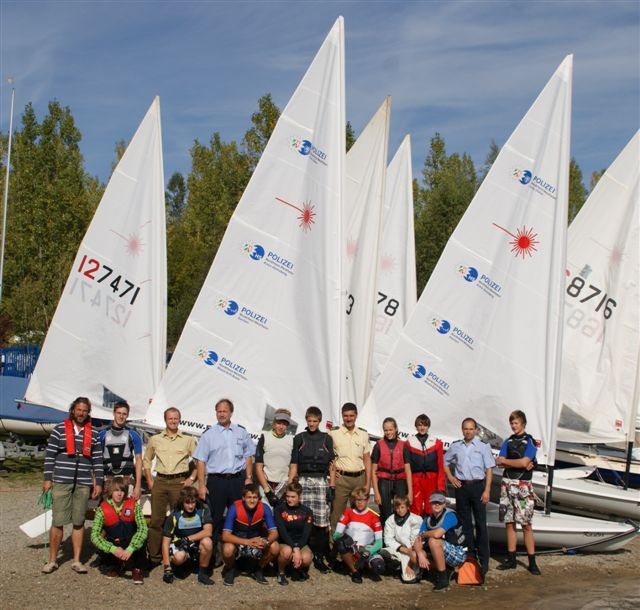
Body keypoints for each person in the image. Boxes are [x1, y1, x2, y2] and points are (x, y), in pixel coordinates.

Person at [42, 396, 103, 574]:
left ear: (88, 412)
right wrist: (48, 478)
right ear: (73, 410)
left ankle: (76, 560)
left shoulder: (94, 434)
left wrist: (98, 482)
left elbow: (97, 460)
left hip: (84, 482)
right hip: (62, 480)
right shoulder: (60, 429)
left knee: (79, 521)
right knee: (58, 521)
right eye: (79, 410)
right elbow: (50, 455)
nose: (81, 413)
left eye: (85, 410)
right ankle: (52, 560)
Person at [194, 398, 255, 566]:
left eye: (225, 411)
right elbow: (200, 461)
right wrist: (201, 484)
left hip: (237, 480)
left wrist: (249, 477)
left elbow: (248, 455)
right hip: (217, 482)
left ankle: (239, 555)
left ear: (231, 413)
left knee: (239, 517)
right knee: (215, 518)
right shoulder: (209, 435)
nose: (221, 414)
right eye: (219, 411)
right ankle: (213, 555)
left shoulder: (241, 432)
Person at [143, 407, 197, 566]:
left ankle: (178, 554)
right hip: (159, 482)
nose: (173, 421)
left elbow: (200, 460)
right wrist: (149, 481)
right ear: (165, 420)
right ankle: (154, 557)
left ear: (179, 419)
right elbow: (147, 460)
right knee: (156, 521)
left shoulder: (188, 440)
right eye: (170, 418)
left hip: (178, 483)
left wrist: (191, 479)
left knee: (179, 520)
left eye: (176, 418)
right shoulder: (155, 439)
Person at [443, 417, 495, 577]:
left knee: (480, 524)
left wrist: (487, 491)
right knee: (465, 525)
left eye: (471, 428)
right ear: (462, 430)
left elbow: (489, 469)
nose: (468, 431)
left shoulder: (483, 446)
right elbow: (445, 462)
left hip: (478, 486)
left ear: (475, 430)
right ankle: (469, 556)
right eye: (466, 428)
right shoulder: (456, 446)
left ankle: (484, 559)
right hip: (462, 487)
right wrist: (451, 478)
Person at [288, 406, 335, 573]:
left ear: (320, 421)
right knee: (302, 519)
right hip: (303, 480)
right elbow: (294, 463)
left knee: (322, 522)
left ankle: (319, 557)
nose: (312, 424)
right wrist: (290, 484)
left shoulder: (326, 438)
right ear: (306, 421)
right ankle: (300, 553)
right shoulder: (299, 438)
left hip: (321, 480)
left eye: (315, 421)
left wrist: (332, 486)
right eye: (310, 421)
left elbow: (332, 465)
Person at [495, 410, 540, 575]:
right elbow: (499, 463)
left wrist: (508, 462)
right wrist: (513, 463)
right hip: (507, 484)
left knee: (526, 524)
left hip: (523, 486)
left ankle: (532, 561)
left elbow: (524, 462)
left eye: (516, 423)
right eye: (512, 423)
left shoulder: (530, 442)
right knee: (509, 522)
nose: (514, 426)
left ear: (523, 424)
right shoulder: (507, 441)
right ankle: (511, 559)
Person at [90, 476, 147, 583]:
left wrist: (131, 548)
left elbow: (143, 529)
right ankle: (115, 565)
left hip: (131, 542)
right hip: (114, 543)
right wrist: (112, 549)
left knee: (141, 544)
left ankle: (137, 569)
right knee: (105, 549)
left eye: (122, 490)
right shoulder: (101, 509)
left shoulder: (134, 505)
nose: (119, 493)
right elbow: (94, 536)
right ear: (111, 491)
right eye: (116, 490)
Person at [221, 483, 280, 586]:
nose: (252, 501)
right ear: (243, 498)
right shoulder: (234, 508)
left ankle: (258, 569)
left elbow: (274, 533)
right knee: (227, 549)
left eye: (255, 497)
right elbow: (225, 536)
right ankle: (230, 569)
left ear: (259, 499)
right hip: (238, 542)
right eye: (249, 497)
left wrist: (265, 541)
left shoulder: (264, 508)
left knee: (275, 547)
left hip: (257, 541)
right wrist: (247, 542)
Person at [329, 402, 371, 534]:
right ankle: (334, 549)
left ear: (356, 416)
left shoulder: (363, 434)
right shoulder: (333, 433)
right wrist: (331, 474)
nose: (348, 418)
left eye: (351, 416)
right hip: (341, 479)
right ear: (342, 416)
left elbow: (367, 459)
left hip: (359, 478)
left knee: (359, 514)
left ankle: (356, 546)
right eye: (346, 416)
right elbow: (329, 458)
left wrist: (368, 483)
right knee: (337, 515)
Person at [413, 491, 467, 592]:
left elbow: (437, 534)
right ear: (430, 504)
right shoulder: (427, 519)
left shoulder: (450, 516)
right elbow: (418, 539)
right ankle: (445, 569)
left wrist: (425, 534)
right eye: (434, 502)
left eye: (440, 502)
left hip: (459, 552)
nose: (437, 504)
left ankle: (443, 580)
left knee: (433, 541)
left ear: (444, 504)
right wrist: (420, 554)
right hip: (443, 550)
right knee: (414, 555)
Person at [161, 486, 214, 585]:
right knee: (180, 557)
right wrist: (167, 568)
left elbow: (208, 531)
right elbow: (165, 542)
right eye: (187, 503)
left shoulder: (203, 509)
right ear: (182, 502)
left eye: (193, 502)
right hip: (179, 544)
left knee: (208, 542)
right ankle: (178, 566)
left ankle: (203, 573)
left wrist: (188, 539)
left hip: (196, 543)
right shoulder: (174, 514)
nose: (191, 506)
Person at [332, 486, 385, 584]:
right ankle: (355, 571)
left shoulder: (374, 517)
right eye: (357, 500)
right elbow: (336, 535)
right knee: (341, 543)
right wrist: (344, 537)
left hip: (366, 550)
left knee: (379, 567)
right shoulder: (348, 512)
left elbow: (379, 543)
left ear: (368, 500)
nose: (359, 503)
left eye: (362, 500)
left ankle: (361, 565)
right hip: (352, 549)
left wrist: (366, 553)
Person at [371, 417, 412, 528]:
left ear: (396, 429)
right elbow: (373, 471)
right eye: (386, 430)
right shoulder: (378, 446)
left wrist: (410, 492)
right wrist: (376, 492)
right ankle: (386, 538)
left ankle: (400, 537)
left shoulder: (403, 446)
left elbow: (408, 470)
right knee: (385, 512)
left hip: (400, 481)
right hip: (384, 481)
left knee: (401, 509)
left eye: (390, 429)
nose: (388, 432)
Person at [99, 400, 143, 499]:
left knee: (127, 511)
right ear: (114, 413)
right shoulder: (102, 434)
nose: (121, 416)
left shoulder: (133, 435)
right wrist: (97, 483)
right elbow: (96, 460)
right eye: (119, 413)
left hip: (127, 478)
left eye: (124, 414)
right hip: (108, 478)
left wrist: (138, 485)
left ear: (127, 415)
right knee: (108, 511)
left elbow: (139, 460)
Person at [274, 482, 314, 585]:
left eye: (293, 497)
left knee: (307, 558)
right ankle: (281, 572)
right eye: (287, 496)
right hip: (284, 542)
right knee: (287, 551)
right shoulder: (279, 509)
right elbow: (282, 532)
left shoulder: (307, 511)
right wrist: (294, 548)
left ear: (300, 497)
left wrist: (298, 547)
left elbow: (306, 534)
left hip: (300, 542)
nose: (289, 499)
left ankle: (295, 569)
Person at [407, 413, 445, 516]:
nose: (422, 427)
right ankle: (416, 530)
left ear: (428, 426)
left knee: (431, 507)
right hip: (416, 480)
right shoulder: (409, 442)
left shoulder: (437, 443)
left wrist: (440, 487)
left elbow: (440, 466)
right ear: (416, 426)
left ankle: (430, 529)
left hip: (432, 480)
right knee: (415, 508)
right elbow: (407, 467)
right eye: (419, 425)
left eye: (424, 425)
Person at [255, 408, 293, 507]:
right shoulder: (264, 437)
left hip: (283, 486)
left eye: (284, 424)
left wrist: (288, 486)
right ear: (274, 422)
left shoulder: (291, 440)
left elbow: (293, 467)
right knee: (266, 517)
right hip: (266, 485)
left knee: (280, 519)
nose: (281, 426)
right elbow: (258, 467)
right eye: (279, 423)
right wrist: (267, 491)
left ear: (287, 425)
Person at [381, 494, 422, 583]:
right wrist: (401, 548)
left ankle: (418, 570)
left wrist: (410, 557)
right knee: (384, 553)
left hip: (412, 549)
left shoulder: (416, 519)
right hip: (399, 549)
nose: (400, 510)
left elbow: (416, 538)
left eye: (402, 507)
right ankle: (398, 568)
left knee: (408, 578)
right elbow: (388, 539)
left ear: (407, 507)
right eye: (397, 508)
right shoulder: (390, 520)